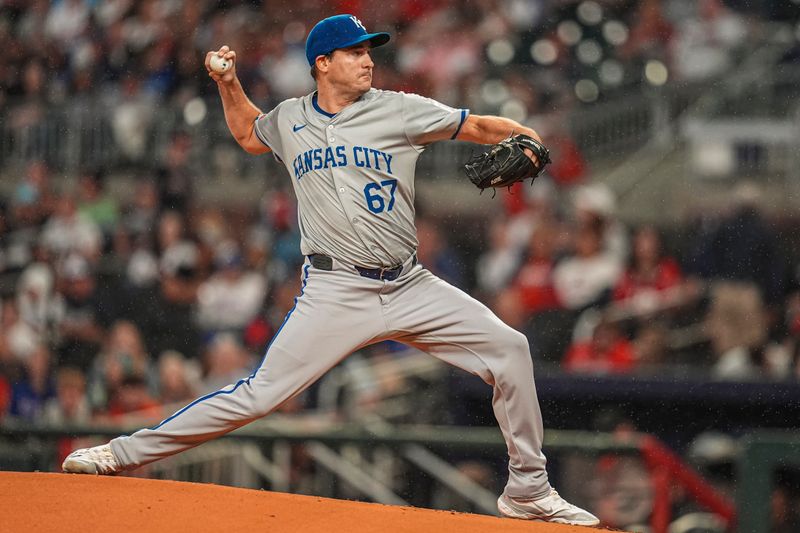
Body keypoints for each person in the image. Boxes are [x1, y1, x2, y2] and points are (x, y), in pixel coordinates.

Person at [62, 14, 598, 526]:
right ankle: (122, 453)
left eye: (369, 52)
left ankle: (528, 489)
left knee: (511, 349)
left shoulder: (398, 109)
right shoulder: (292, 119)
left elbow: (475, 123)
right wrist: (228, 83)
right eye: (355, 53)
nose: (368, 61)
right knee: (258, 394)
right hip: (335, 289)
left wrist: (524, 132)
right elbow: (250, 134)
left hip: (410, 283)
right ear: (322, 62)